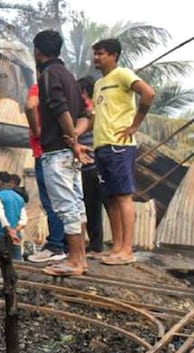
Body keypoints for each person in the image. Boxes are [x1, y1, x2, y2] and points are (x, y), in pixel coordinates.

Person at [33, 30, 92, 277]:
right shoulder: (70, 77)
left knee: (66, 206)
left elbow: (60, 109)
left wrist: (71, 139)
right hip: (66, 150)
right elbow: (87, 115)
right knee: (76, 204)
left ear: (37, 51)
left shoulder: (48, 75)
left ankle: (76, 260)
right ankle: (79, 258)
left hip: (57, 152)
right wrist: (75, 137)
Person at [93, 38, 155, 266]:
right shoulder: (99, 84)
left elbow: (148, 94)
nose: (96, 58)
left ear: (113, 55)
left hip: (120, 145)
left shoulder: (123, 74)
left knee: (123, 196)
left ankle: (127, 249)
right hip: (101, 146)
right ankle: (117, 247)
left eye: (101, 53)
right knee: (110, 198)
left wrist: (135, 124)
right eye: (95, 54)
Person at [25, 80, 68, 264]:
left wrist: (36, 131)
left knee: (52, 202)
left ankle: (55, 245)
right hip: (64, 152)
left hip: (46, 153)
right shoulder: (69, 87)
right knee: (66, 201)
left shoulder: (43, 86)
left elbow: (30, 105)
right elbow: (89, 113)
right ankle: (65, 244)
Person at [77, 76, 108, 257]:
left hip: (94, 163)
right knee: (91, 207)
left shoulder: (93, 110)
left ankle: (98, 246)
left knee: (96, 206)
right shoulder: (85, 110)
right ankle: (95, 245)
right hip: (88, 164)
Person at [0, 171, 27, 260]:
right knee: (17, 260)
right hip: (16, 235)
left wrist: (9, 230)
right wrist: (14, 231)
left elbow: (2, 216)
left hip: (1, 233)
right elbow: (24, 220)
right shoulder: (19, 198)